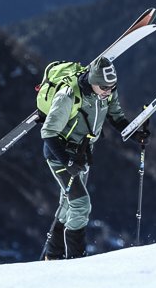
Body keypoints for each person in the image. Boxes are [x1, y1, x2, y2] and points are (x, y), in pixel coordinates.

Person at [39, 55, 148, 259]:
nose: (108, 91)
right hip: (59, 155)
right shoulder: (68, 96)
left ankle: (52, 255)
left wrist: (136, 135)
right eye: (104, 87)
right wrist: (67, 161)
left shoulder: (108, 92)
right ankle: (76, 259)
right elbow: (48, 133)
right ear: (92, 81)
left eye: (112, 87)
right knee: (81, 204)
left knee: (68, 204)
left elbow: (116, 117)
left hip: (82, 155)